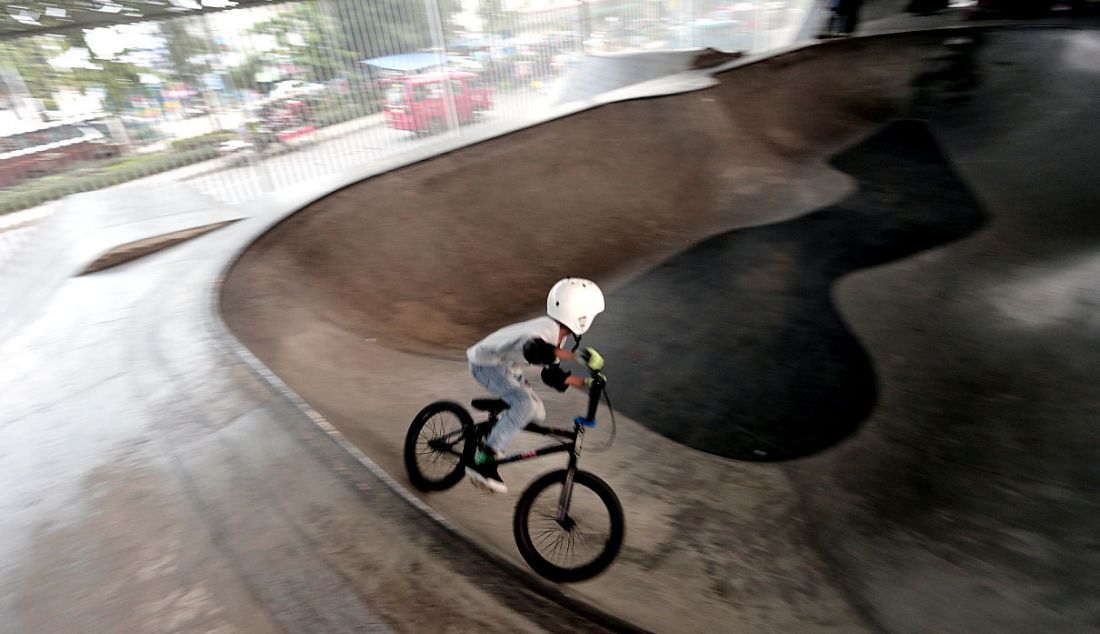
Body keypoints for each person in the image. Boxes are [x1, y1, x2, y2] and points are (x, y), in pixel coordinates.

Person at [465, 278, 606, 493]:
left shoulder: (558, 338)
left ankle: (498, 419)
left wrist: (587, 382)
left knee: (536, 413)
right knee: (525, 404)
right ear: (581, 316)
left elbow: (552, 376)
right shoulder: (547, 328)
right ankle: (485, 458)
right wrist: (577, 356)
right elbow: (534, 349)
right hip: (486, 364)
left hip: (508, 369)